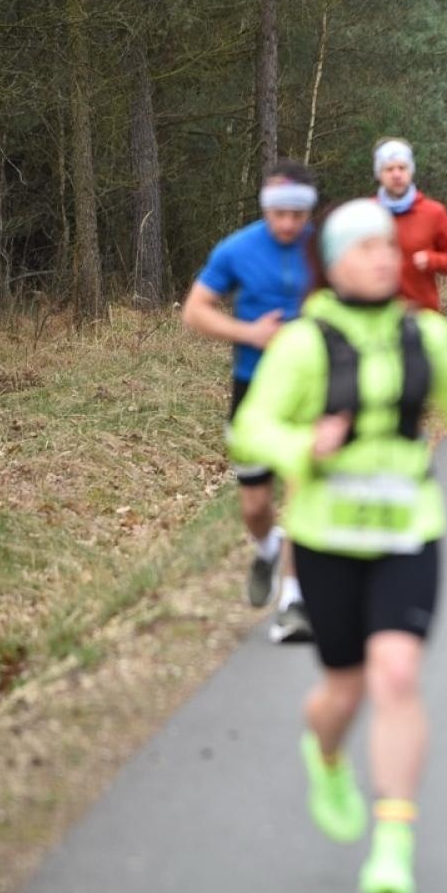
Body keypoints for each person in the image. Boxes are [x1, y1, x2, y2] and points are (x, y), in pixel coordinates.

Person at [230, 198, 447, 893]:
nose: (380, 257)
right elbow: (253, 428)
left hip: (407, 530)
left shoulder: (423, 333)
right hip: (328, 536)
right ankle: (327, 756)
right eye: (364, 248)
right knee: (342, 689)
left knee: (395, 675)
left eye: (386, 248)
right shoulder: (304, 343)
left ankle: (393, 842)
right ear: (334, 263)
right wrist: (301, 447)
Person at [182, 160, 316, 643]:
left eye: (296, 215)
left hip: (311, 390)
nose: (287, 224)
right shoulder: (237, 249)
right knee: (256, 504)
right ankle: (266, 547)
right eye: (279, 214)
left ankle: (294, 600)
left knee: (303, 488)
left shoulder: (325, 249)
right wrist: (251, 334)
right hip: (254, 390)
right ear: (266, 209)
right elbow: (194, 311)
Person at [372, 138, 447, 312]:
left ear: (411, 171)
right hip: (375, 317)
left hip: (421, 317)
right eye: (389, 169)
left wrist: (432, 260)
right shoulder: (366, 212)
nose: (396, 174)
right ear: (379, 173)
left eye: (402, 167)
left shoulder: (434, 213)